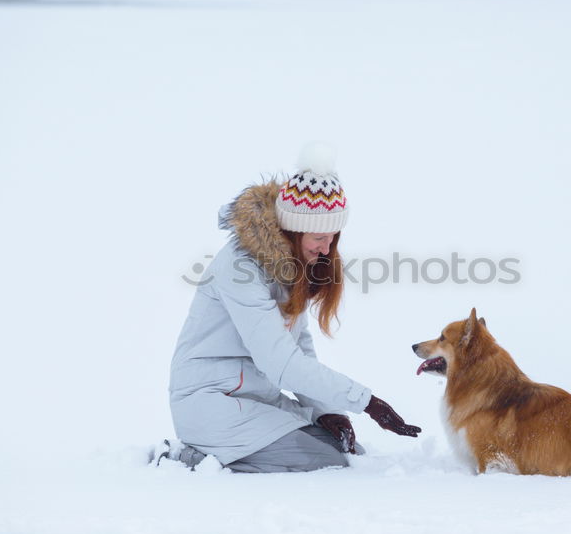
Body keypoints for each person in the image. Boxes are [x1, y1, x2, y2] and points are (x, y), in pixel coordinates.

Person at [159, 143, 421, 472]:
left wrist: (324, 410)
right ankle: (188, 459)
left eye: (334, 236)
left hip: (253, 397)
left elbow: (299, 344)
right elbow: (280, 362)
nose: (327, 248)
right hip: (211, 400)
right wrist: (366, 402)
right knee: (326, 462)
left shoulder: (291, 265)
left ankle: (228, 453)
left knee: (347, 452)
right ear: (293, 228)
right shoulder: (241, 268)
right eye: (318, 237)